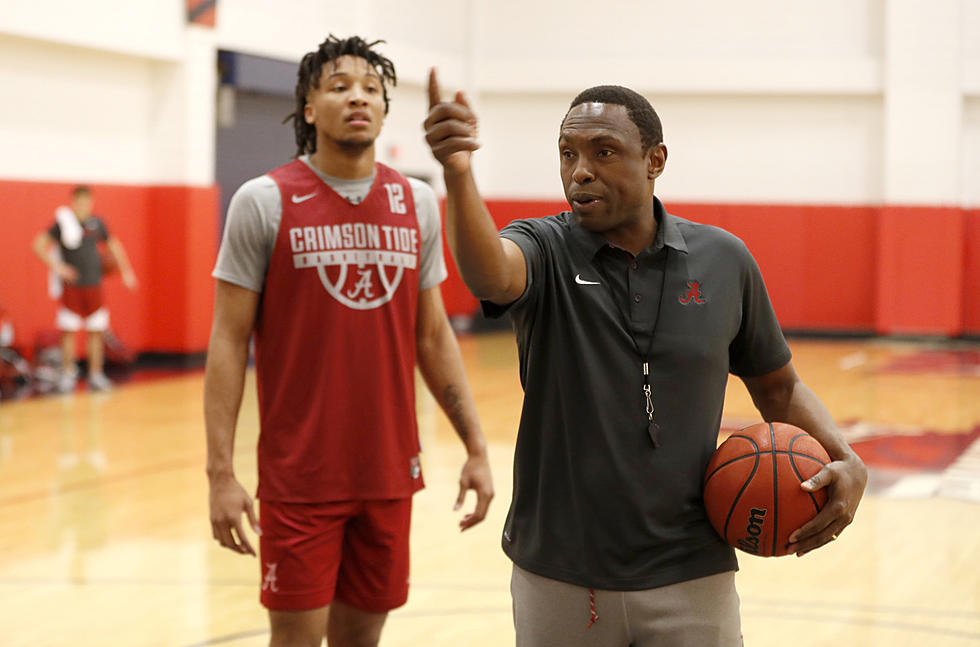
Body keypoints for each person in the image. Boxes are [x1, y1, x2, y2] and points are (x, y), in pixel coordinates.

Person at [424, 72, 868, 646]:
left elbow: (779, 388)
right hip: (561, 571)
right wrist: (458, 176)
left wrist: (844, 457)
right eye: (567, 154)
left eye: (603, 151)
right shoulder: (543, 245)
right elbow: (490, 272)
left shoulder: (724, 260)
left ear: (655, 159)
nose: (579, 170)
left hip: (691, 565)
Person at [204, 36, 494, 647]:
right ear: (309, 109)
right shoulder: (263, 202)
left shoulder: (415, 201)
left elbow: (434, 335)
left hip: (389, 472)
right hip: (300, 480)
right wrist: (221, 475)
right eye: (338, 87)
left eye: (370, 89)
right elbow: (228, 344)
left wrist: (475, 445)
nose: (357, 97)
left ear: (386, 111)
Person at [32, 185, 138, 393]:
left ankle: (96, 375)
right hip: (73, 288)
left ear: (91, 202)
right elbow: (38, 245)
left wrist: (126, 271)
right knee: (69, 331)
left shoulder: (97, 223)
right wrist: (58, 267)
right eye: (79, 201)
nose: (83, 205)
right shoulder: (63, 223)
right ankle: (67, 374)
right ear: (73, 202)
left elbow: (114, 246)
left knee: (96, 330)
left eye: (87, 201)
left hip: (94, 285)